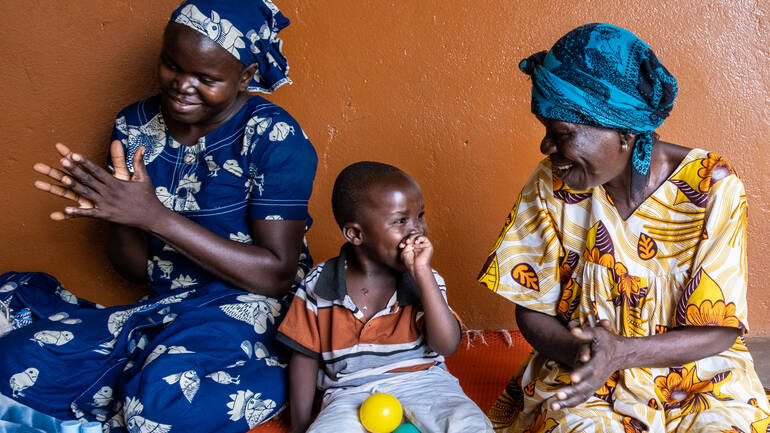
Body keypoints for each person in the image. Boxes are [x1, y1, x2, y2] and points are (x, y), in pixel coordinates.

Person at [0, 0, 317, 432]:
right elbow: (135, 269)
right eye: (172, 66)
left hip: (254, 308)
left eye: (206, 78)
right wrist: (116, 211)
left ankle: (295, 373)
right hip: (165, 307)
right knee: (14, 360)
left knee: (160, 405)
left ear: (245, 77)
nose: (182, 86)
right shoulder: (134, 125)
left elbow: (277, 275)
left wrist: (153, 216)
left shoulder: (274, 135)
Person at [477, 23, 770, 432]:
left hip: (699, 375)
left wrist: (623, 352)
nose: (546, 148)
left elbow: (718, 330)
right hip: (583, 373)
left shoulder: (711, 185)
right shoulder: (548, 185)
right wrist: (587, 354)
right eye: (546, 131)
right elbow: (530, 306)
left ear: (625, 131)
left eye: (561, 134)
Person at [276, 162, 493, 432]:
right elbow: (304, 359)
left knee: (467, 423)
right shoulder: (319, 283)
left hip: (426, 384)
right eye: (401, 221)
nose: (417, 231)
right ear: (355, 234)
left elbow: (447, 345)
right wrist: (301, 427)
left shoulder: (426, 280)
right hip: (349, 393)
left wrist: (422, 275)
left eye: (420, 216)